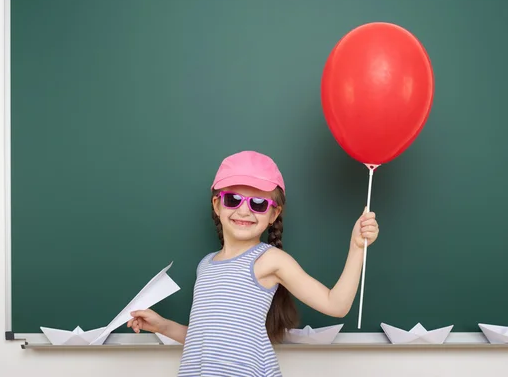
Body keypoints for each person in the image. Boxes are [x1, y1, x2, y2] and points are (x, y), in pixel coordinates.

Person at [127, 150, 379, 376]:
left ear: (274, 214)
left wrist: (357, 247)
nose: (244, 211)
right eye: (233, 200)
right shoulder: (205, 265)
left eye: (258, 204)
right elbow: (205, 338)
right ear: (217, 205)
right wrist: (163, 326)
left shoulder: (269, 260)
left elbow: (336, 304)